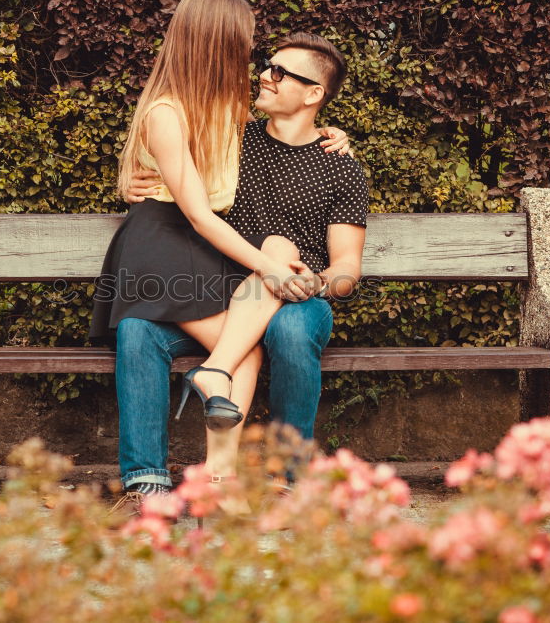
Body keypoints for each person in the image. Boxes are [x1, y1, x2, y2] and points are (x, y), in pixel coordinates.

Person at [107, 29, 369, 514]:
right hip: (218, 289)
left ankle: (288, 484)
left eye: (283, 72)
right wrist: (138, 182)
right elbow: (172, 176)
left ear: (315, 94)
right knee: (138, 328)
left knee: (290, 326)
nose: (266, 75)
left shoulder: (342, 169)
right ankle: (145, 485)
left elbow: (348, 266)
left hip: (295, 296)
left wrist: (319, 282)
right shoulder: (230, 138)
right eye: (269, 65)